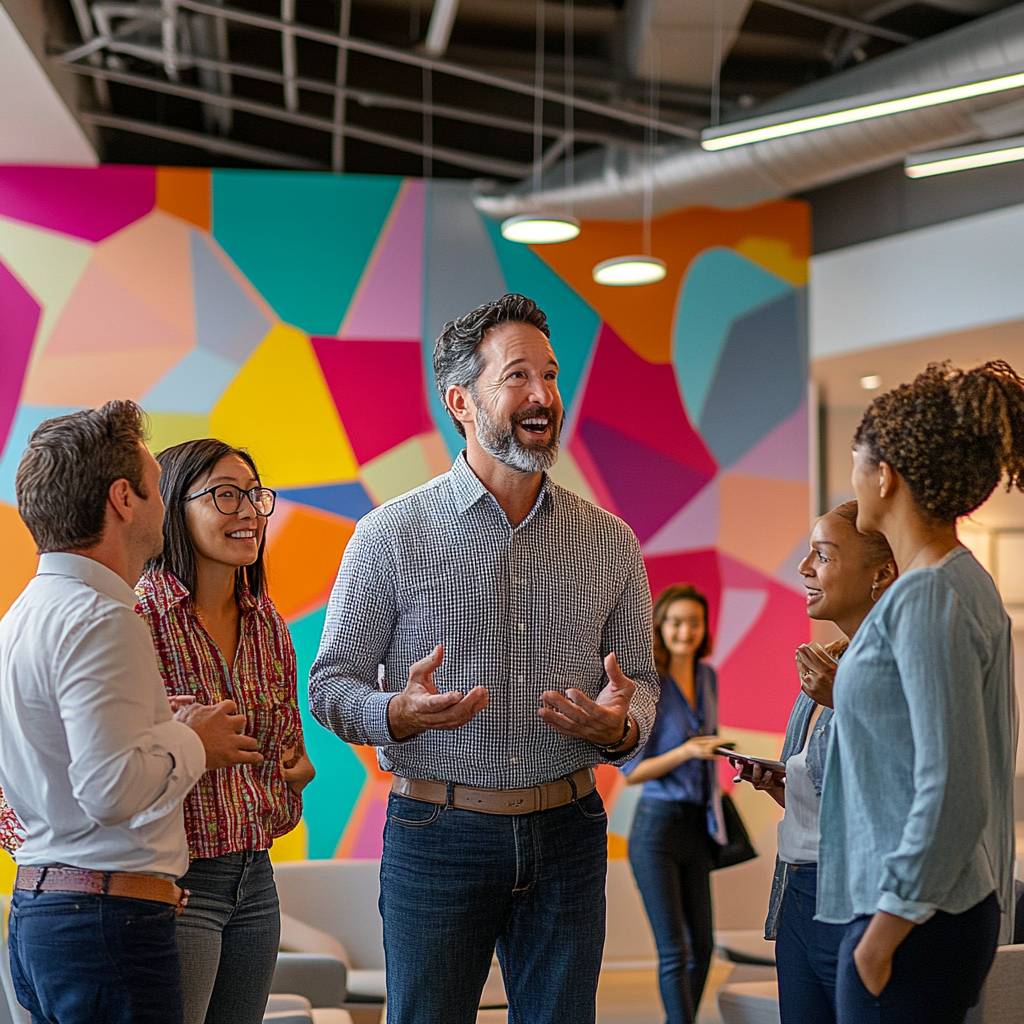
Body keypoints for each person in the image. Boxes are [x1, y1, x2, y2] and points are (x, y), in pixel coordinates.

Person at [309, 293, 660, 1024]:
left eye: (553, 376)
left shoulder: (611, 542)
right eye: (518, 377)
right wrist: (393, 714)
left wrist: (619, 730)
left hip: (569, 832)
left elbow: (644, 685)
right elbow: (330, 683)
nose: (543, 396)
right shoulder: (388, 536)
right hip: (437, 836)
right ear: (461, 401)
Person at [0, 401, 261, 1024]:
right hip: (105, 926)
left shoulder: (22, 617)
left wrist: (155, 732)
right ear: (123, 499)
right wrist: (192, 738)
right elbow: (111, 791)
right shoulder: (102, 618)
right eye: (155, 488)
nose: (162, 505)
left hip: (44, 913)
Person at [818, 360, 1023, 1024]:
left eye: (856, 463)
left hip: (912, 920)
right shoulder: (961, 581)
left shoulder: (928, 593)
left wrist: (884, 933)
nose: (852, 479)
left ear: (884, 475)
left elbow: (953, 785)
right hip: (929, 914)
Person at [137, 438, 315, 1024]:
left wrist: (293, 781)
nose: (248, 512)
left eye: (255, 496)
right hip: (175, 884)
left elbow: (284, 754)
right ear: (171, 508)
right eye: (225, 495)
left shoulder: (268, 624)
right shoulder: (136, 618)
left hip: (255, 880)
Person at [731, 501, 896, 1024]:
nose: (803, 569)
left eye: (821, 555)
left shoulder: (895, 663)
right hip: (800, 891)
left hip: (856, 898)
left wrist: (846, 697)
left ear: (881, 574)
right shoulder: (829, 662)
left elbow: (907, 786)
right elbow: (832, 790)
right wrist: (785, 786)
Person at [622, 584, 726, 1024]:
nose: (685, 631)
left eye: (694, 622)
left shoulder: (707, 677)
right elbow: (632, 773)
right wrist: (687, 752)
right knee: (675, 949)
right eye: (676, 622)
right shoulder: (651, 685)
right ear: (660, 628)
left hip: (697, 825)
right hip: (656, 828)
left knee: (702, 946)